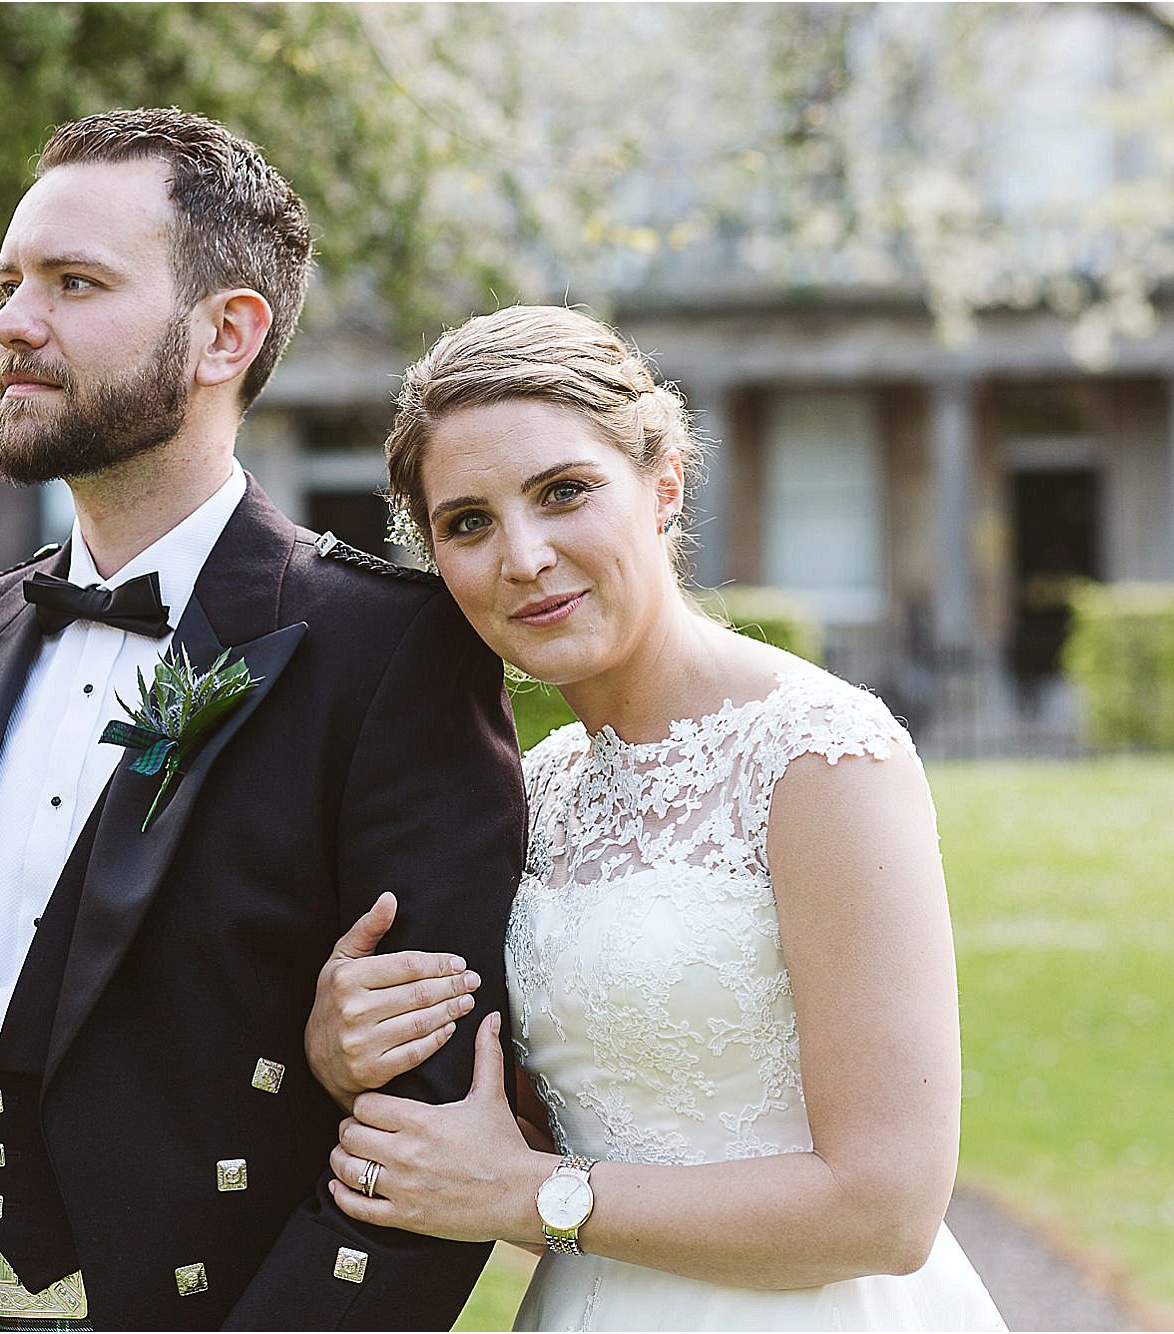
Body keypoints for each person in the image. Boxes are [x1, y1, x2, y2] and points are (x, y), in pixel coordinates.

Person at [0, 107, 524, 1331]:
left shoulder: (386, 650)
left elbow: (427, 1121)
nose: (12, 323)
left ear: (223, 334)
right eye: (9, 283)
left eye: (74, 283)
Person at [302, 306, 1006, 1330]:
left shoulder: (818, 756)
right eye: (468, 521)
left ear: (663, 484)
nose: (524, 556)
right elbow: (515, 1131)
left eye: (563, 492)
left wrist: (532, 1197)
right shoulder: (533, 789)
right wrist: (347, 1048)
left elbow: (884, 1207)